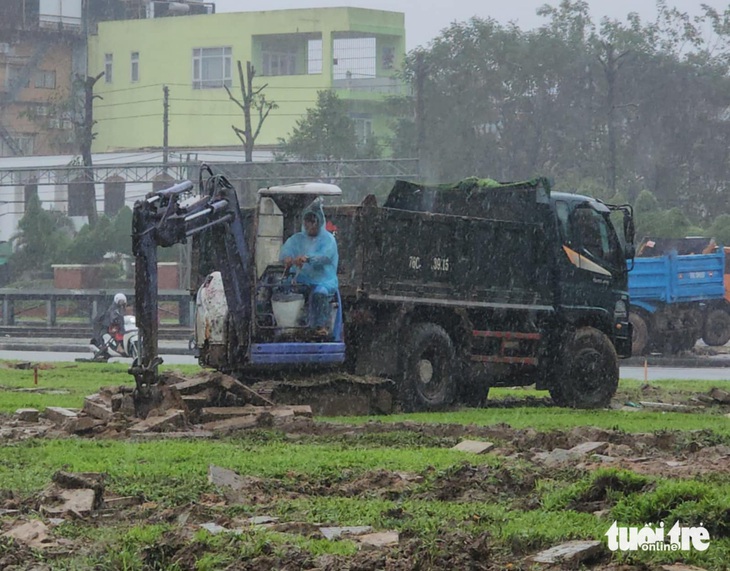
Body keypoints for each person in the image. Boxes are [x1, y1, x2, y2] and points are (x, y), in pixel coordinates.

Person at [279, 199, 339, 337]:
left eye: (313, 221)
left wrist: (308, 258)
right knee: (283, 289)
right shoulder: (297, 239)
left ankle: (320, 327)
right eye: (307, 221)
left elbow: (325, 257)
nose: (309, 225)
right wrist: (287, 259)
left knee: (320, 293)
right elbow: (286, 251)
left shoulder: (328, 240)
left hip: (323, 280)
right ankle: (287, 326)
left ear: (319, 222)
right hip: (301, 280)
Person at [92, 293, 127, 358]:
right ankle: (116, 347)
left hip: (117, 328)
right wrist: (116, 321)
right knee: (111, 337)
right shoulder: (113, 310)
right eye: (120, 301)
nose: (121, 303)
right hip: (108, 328)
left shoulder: (121, 309)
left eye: (123, 301)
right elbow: (112, 318)